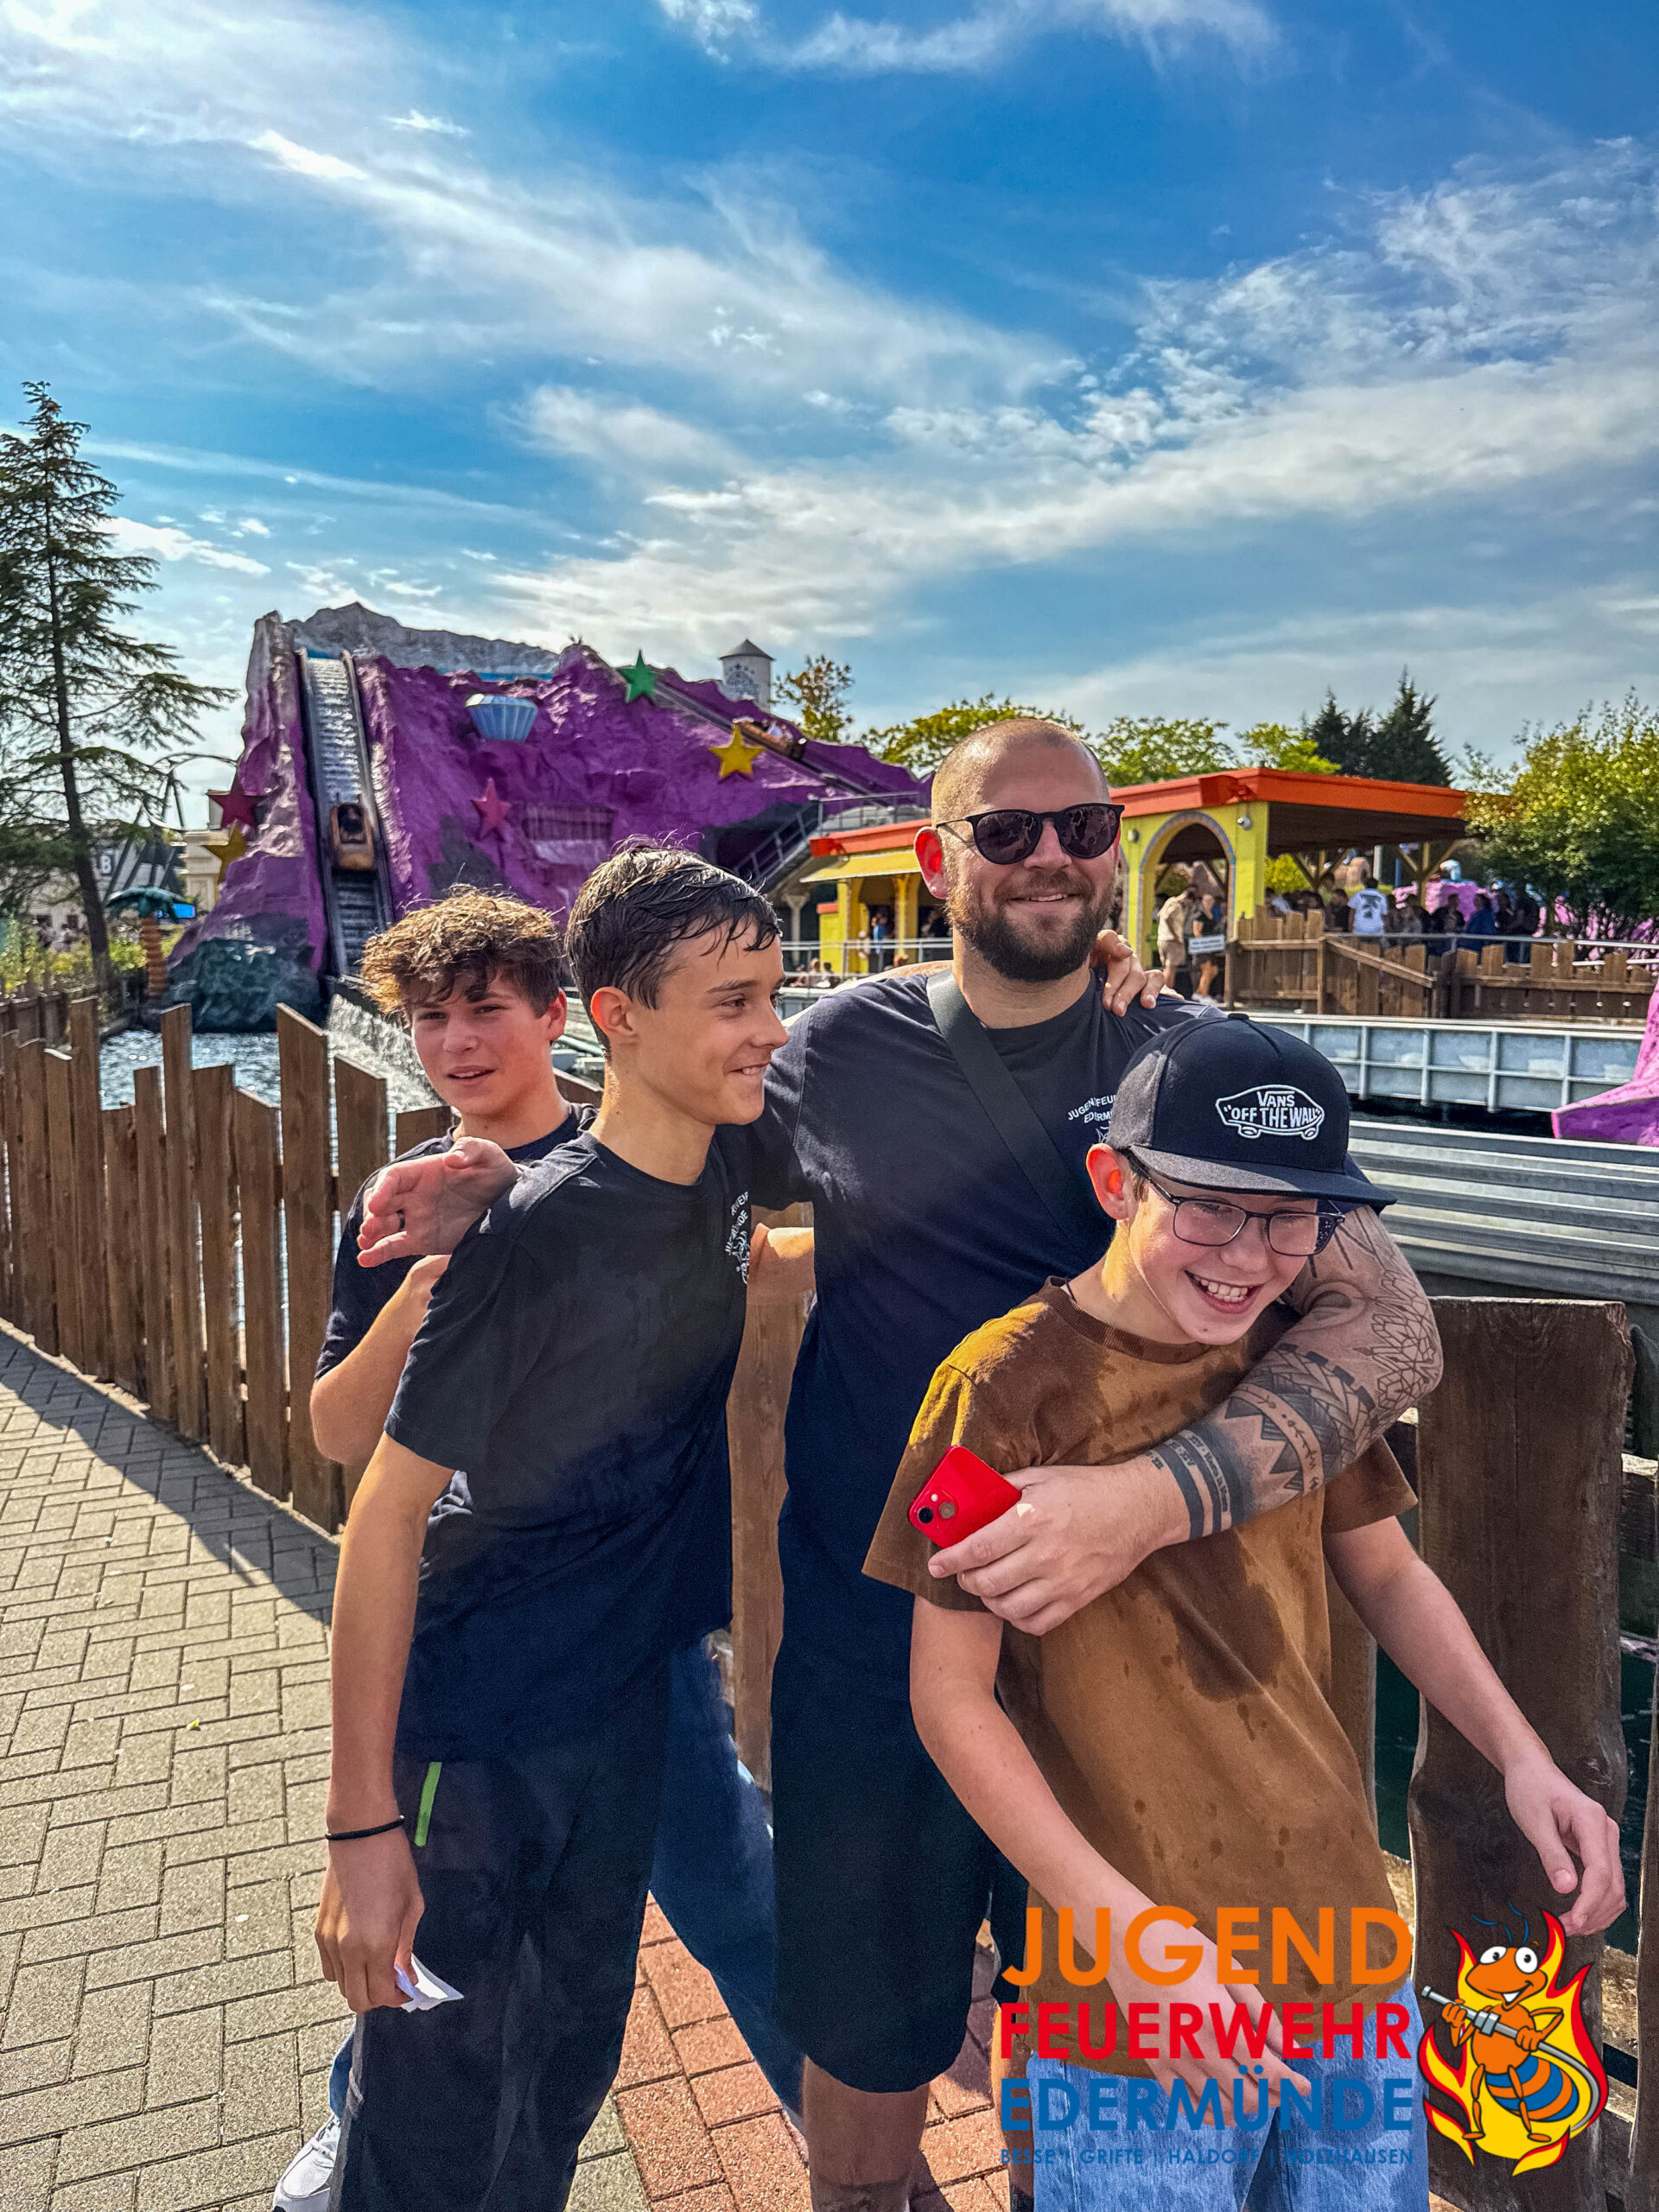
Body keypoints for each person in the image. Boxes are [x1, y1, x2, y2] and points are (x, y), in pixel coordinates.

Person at [363, 719, 1443, 2212]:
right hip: (876, 1650)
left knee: (1107, 2055)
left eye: (1084, 827)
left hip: (1125, 1676)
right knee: (865, 2030)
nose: (1051, 856)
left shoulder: (1189, 1057)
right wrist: (509, 1178)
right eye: (1007, 832)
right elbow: (664, 1146)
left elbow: (1393, 1328)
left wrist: (1148, 1500)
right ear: (939, 859)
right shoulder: (832, 1049)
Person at [866, 1017, 1624, 2209]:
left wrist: (1524, 1758)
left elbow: (1391, 1576)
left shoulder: (1293, 1374)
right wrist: (1122, 1934)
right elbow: (948, 1695)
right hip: (1126, 1989)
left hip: (1345, 1948)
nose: (1250, 1254)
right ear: (1115, 1182)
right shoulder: (997, 1389)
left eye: (1291, 1217)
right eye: (1211, 1207)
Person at [272, 889, 804, 2212]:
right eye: (429, 1020)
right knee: (437, 2076)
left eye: (485, 1010)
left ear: (562, 1016)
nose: (457, 1041)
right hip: (480, 1699)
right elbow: (364, 1485)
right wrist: (360, 1825)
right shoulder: (457, 1218)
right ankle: (368, 2126)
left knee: (567, 2053)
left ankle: (849, 2143)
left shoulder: (706, 1144)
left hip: (630, 1672)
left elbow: (762, 1182)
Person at [1155, 883, 1192, 990]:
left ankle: (1165, 989)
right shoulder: (1176, 905)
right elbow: (1168, 917)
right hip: (1172, 940)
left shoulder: (1168, 902)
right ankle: (1167, 990)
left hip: (1163, 938)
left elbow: (1159, 915)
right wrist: (1175, 934)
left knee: (1167, 967)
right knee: (1171, 968)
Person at [1349, 874, 1390, 938]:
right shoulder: (1382, 897)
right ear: (1377, 886)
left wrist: (1350, 927)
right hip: (1376, 929)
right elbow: (1384, 916)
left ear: (1365, 885)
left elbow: (1352, 913)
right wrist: (1387, 929)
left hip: (1359, 929)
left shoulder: (1358, 895)